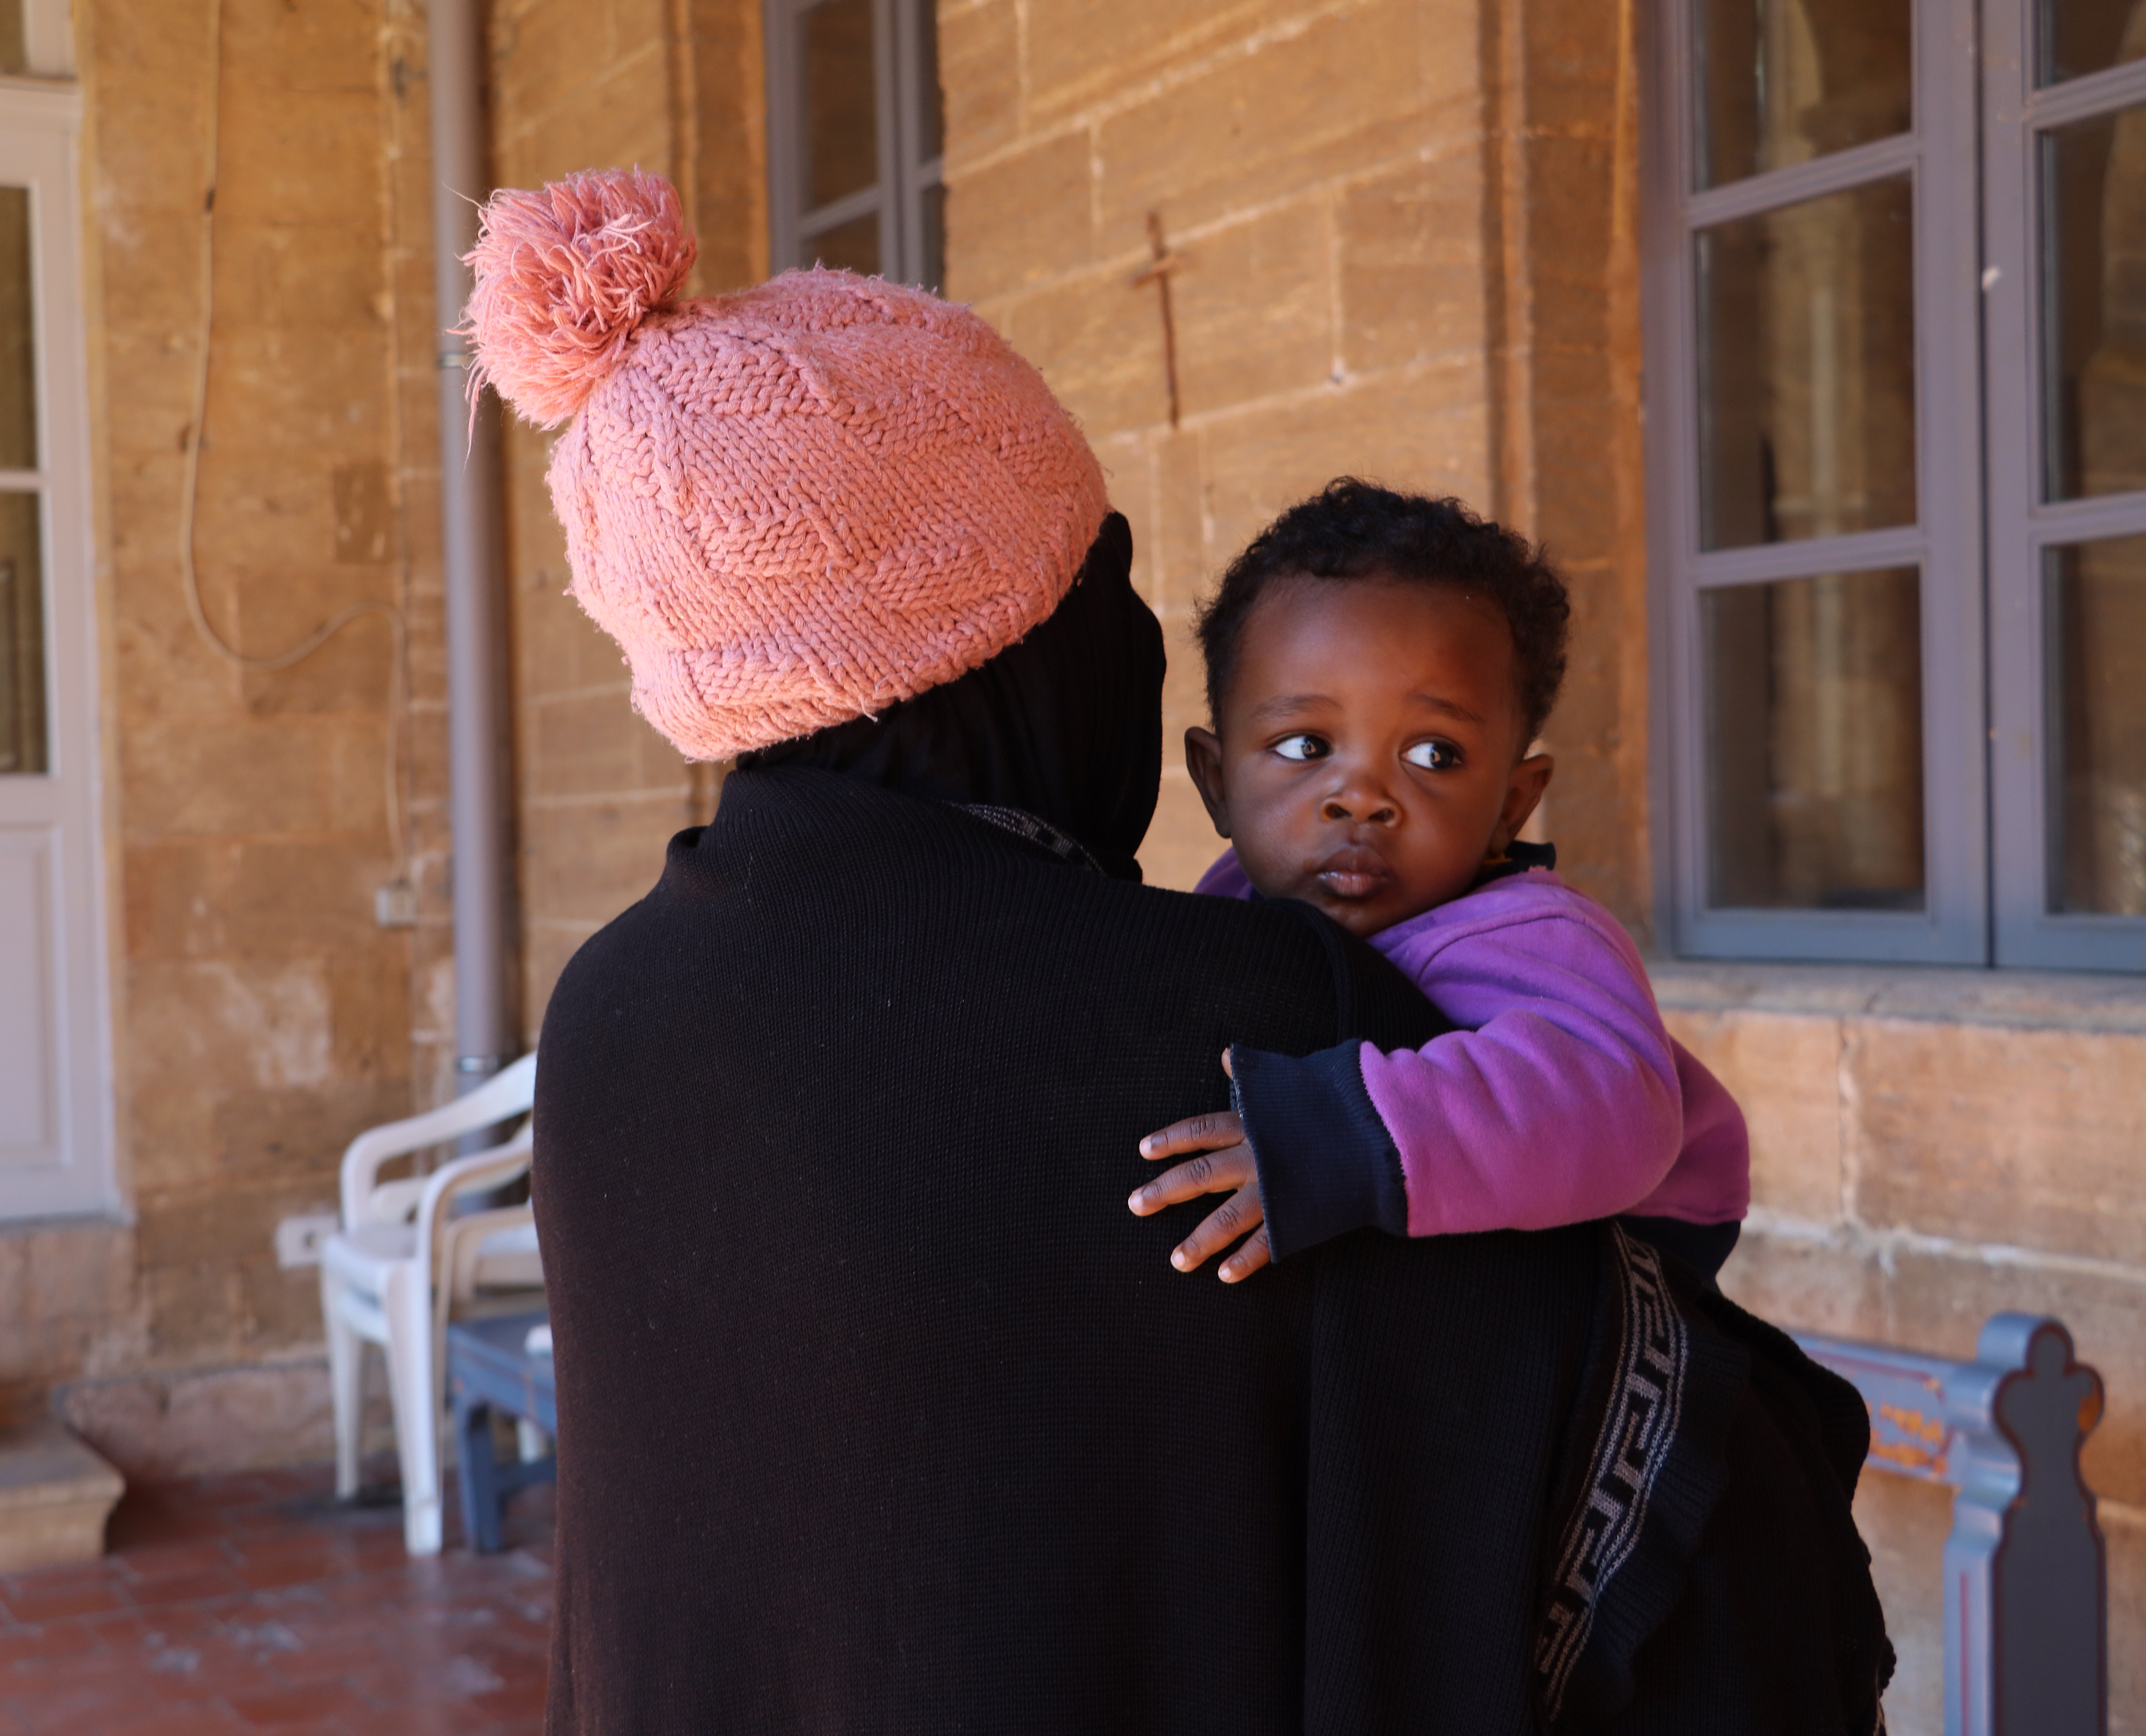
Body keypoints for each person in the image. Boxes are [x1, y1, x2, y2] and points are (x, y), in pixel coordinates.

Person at [465, 167, 1890, 1735]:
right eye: (1109, 577)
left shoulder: (605, 1015)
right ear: (1003, 645)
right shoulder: (1262, 1031)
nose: (1143, 642)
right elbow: (1702, 1536)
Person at [1130, 481, 1752, 1287]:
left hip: (1640, 1238)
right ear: (1216, 781)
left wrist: (1335, 1132)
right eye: (1304, 744)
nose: (1360, 797)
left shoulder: (1530, 932)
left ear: (1512, 806)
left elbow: (1618, 1108)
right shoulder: (1230, 903)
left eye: (1434, 756)